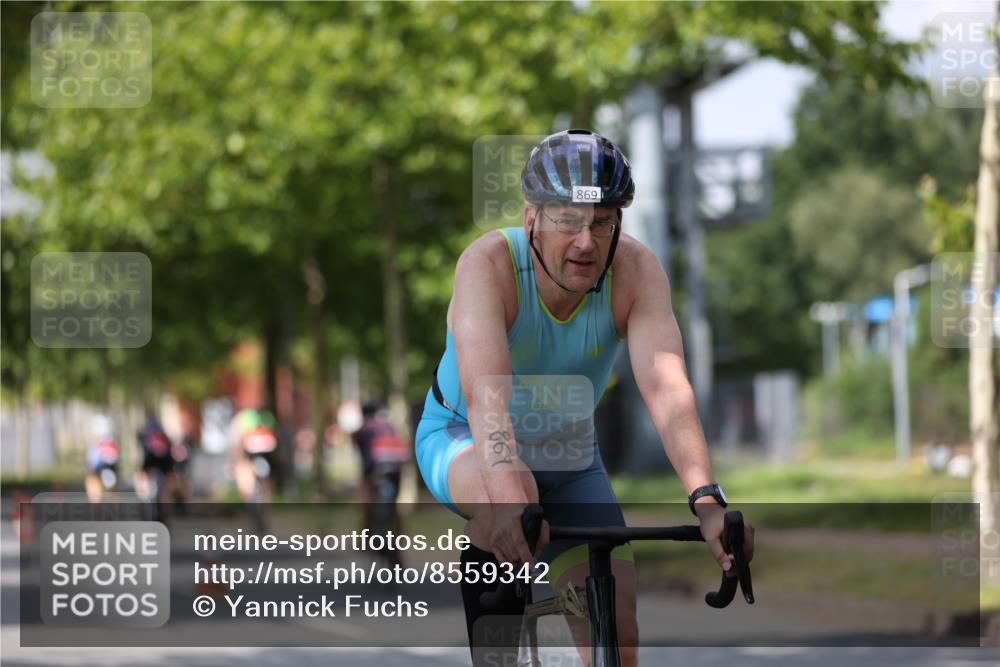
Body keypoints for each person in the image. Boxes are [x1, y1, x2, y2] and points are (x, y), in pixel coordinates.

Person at [414, 129, 755, 666]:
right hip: (463, 436)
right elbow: (486, 399)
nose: (586, 242)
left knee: (616, 624)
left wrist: (708, 503)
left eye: (602, 223)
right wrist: (507, 501)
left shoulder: (636, 273)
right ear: (532, 219)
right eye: (567, 221)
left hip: (569, 451)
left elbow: (667, 389)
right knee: (515, 495)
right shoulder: (489, 266)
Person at [353, 400, 410, 557]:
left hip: (374, 471)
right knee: (393, 506)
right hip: (395, 470)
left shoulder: (363, 429)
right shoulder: (388, 426)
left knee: (368, 503)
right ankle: (400, 537)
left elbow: (365, 457)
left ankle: (366, 538)